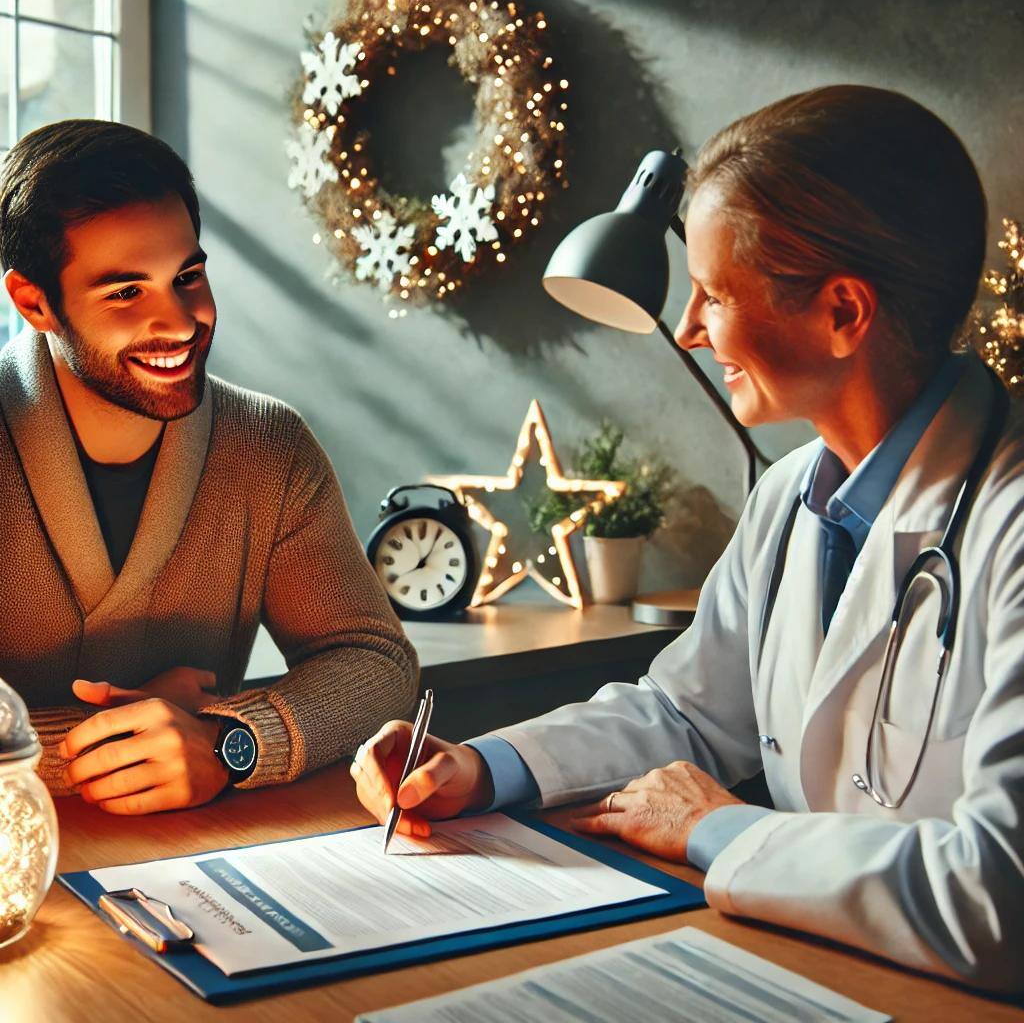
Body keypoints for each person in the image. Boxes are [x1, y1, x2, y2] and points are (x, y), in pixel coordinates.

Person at [351, 85, 1024, 991]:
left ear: (842, 314)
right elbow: (689, 713)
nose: (689, 330)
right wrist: (479, 768)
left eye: (712, 294)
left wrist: (715, 830)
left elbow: (997, 899)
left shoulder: (1008, 520)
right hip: (810, 964)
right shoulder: (791, 496)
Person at [0, 120, 418, 814]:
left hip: (200, 862)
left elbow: (376, 663)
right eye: (126, 292)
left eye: (188, 276)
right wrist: (127, 744)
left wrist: (231, 739)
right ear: (34, 302)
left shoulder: (269, 446)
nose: (183, 320)